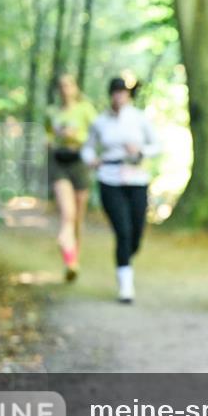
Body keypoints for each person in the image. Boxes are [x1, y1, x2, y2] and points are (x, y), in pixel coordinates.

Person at [81, 76, 160, 304]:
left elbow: (157, 145)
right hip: (109, 179)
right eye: (115, 92)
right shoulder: (100, 122)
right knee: (123, 231)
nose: (119, 96)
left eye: (123, 92)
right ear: (110, 95)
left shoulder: (139, 119)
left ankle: (127, 255)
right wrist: (92, 160)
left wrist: (141, 150)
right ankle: (126, 286)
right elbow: (87, 149)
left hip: (136, 178)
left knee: (136, 232)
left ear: (128, 95)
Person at [46, 74, 97, 282]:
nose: (65, 89)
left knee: (77, 219)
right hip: (59, 162)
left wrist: (75, 136)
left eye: (68, 85)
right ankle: (67, 250)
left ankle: (73, 260)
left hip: (79, 162)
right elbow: (48, 134)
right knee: (67, 213)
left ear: (76, 88)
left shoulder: (85, 110)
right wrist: (50, 140)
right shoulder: (52, 112)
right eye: (61, 85)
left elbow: (96, 134)